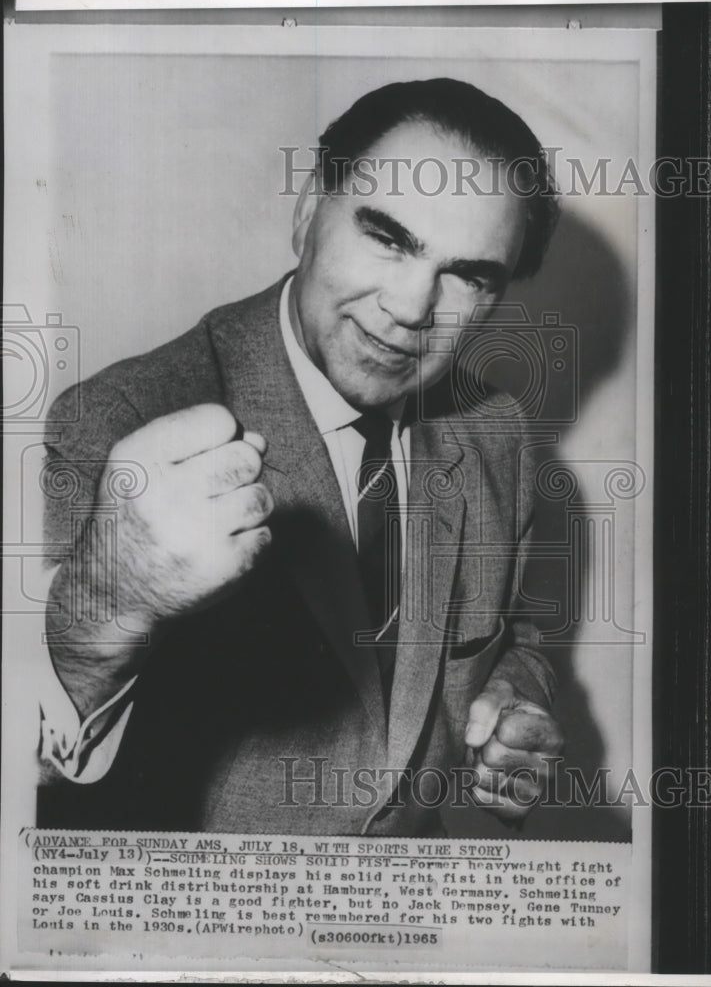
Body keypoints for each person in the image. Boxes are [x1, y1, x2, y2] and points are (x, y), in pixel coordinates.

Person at [38, 78, 563, 835]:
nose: (414, 307)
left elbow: (513, 633)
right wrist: (100, 615)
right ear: (309, 211)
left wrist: (517, 689)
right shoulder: (114, 422)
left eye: (469, 276)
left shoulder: (497, 432)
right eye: (388, 236)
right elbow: (28, 798)